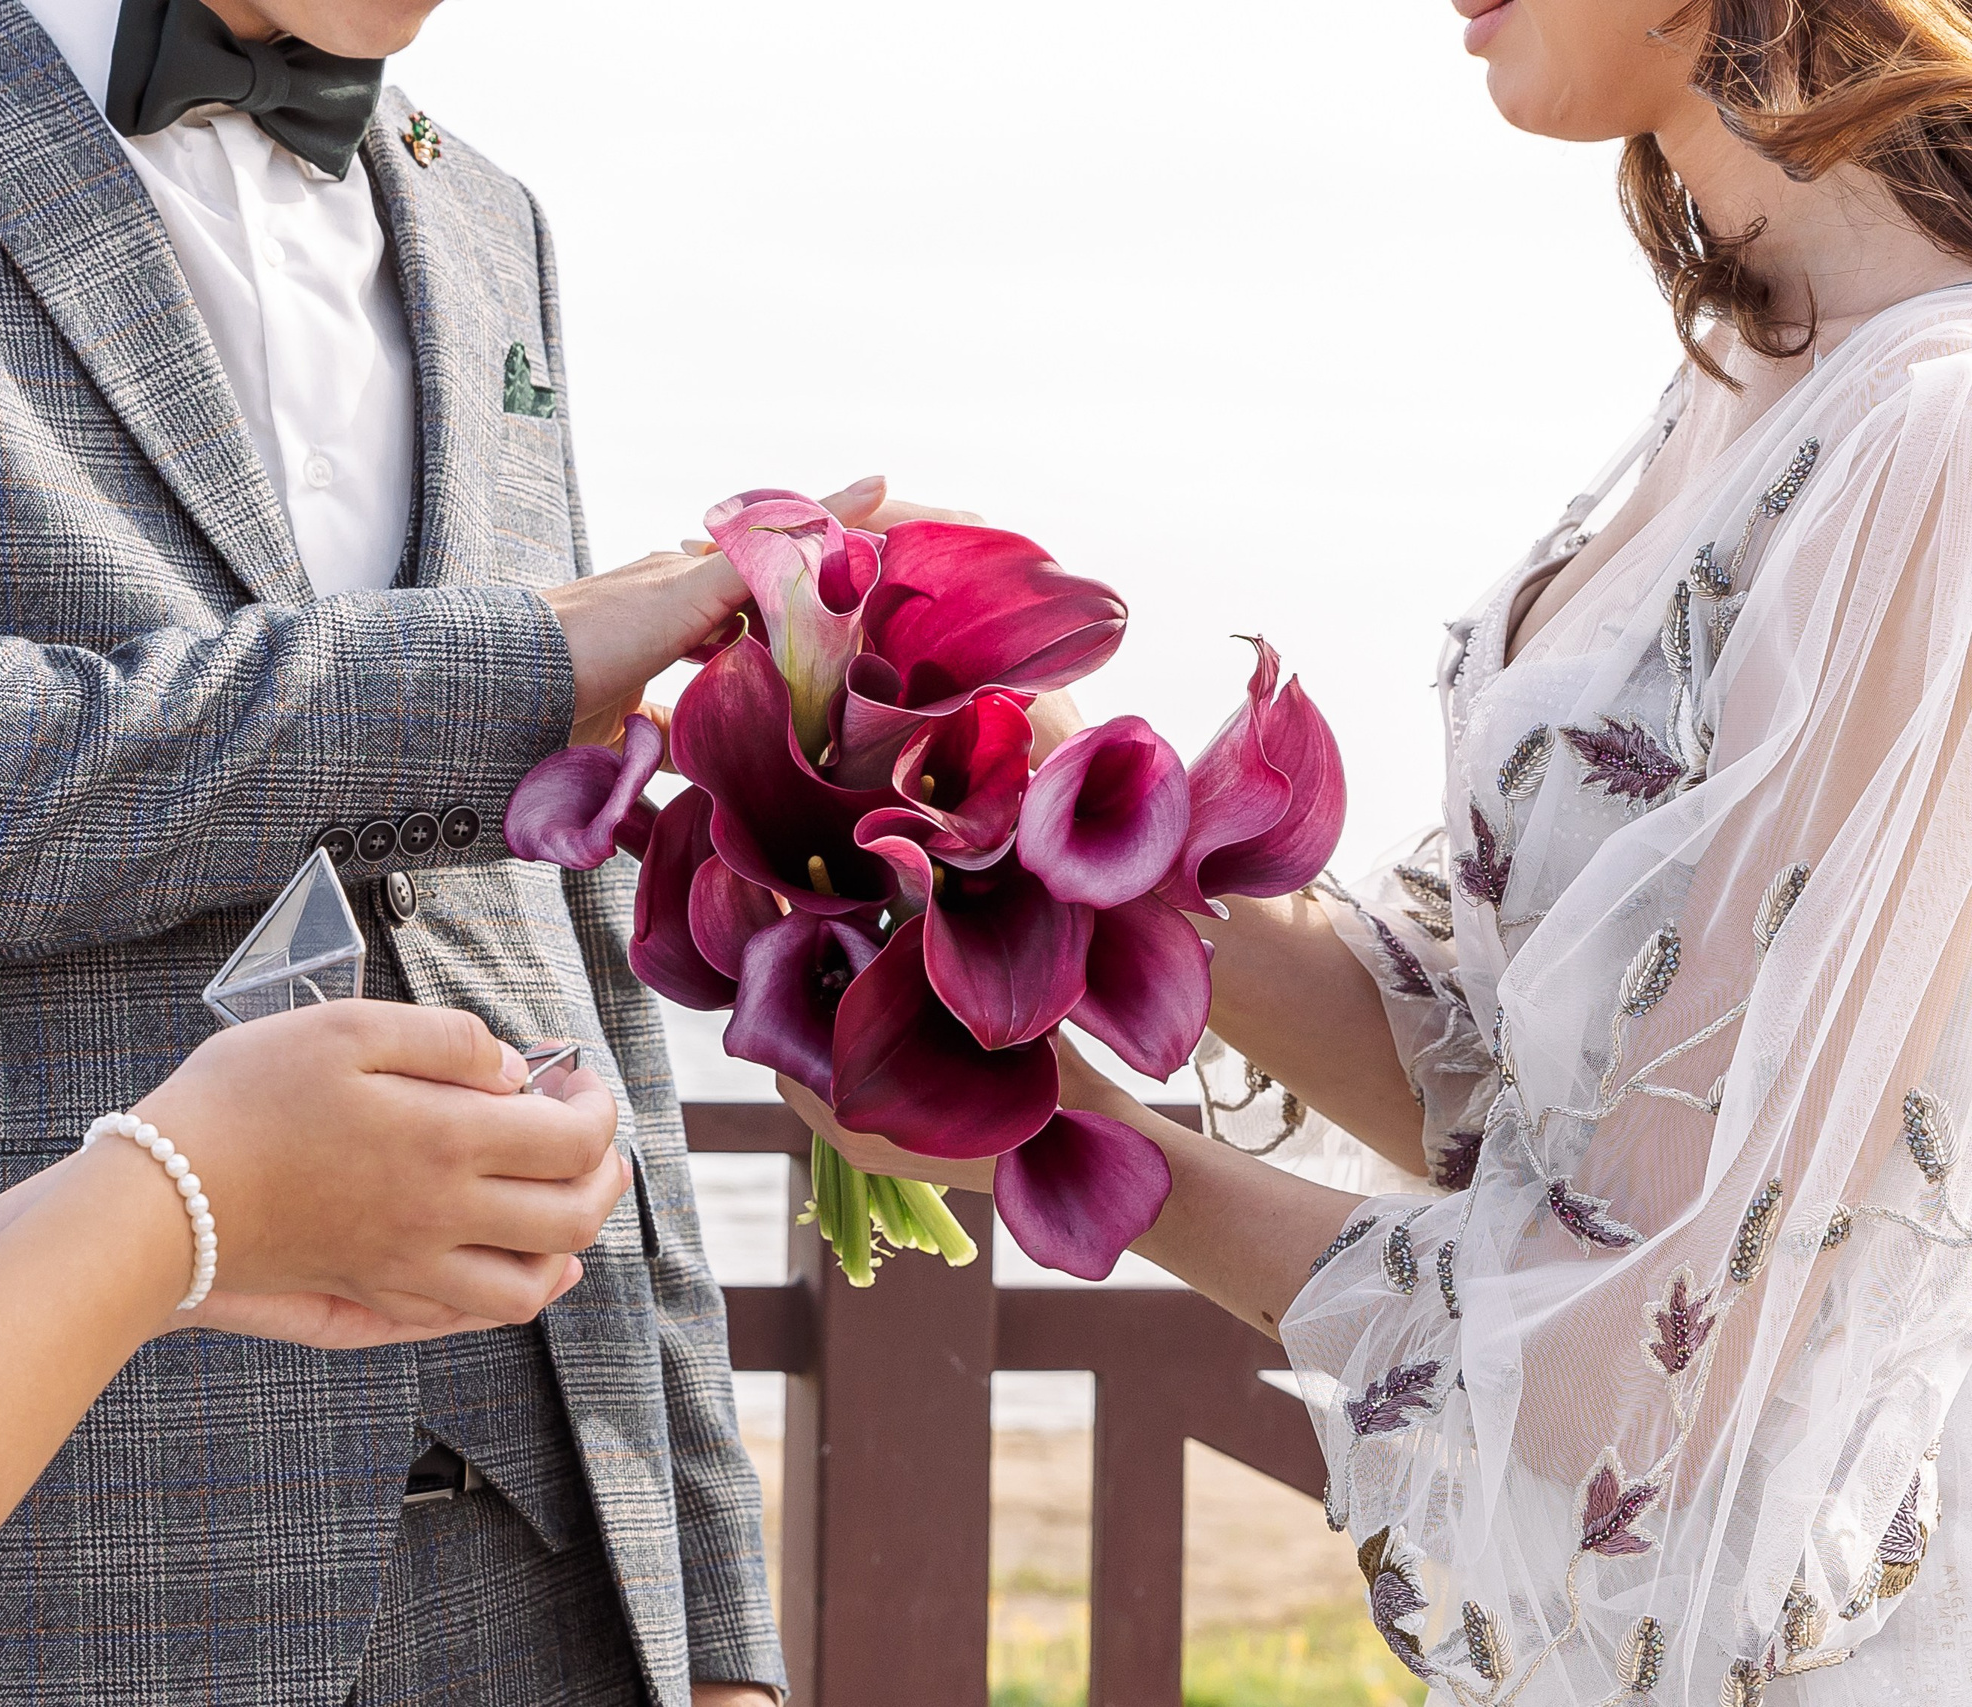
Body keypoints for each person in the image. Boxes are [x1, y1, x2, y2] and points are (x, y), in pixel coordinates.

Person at [0, 0, 960, 1698]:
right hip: (10, 1559)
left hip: (551, 1573)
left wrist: (710, 1619)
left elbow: (561, 910)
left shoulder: (486, 217)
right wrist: (506, 666)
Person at [797, 1, 1972, 1700]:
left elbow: (1629, 1365)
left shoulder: (1928, 442)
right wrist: (1020, 785)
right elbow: (1515, 1093)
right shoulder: (1761, 380)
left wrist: (1056, 1139)